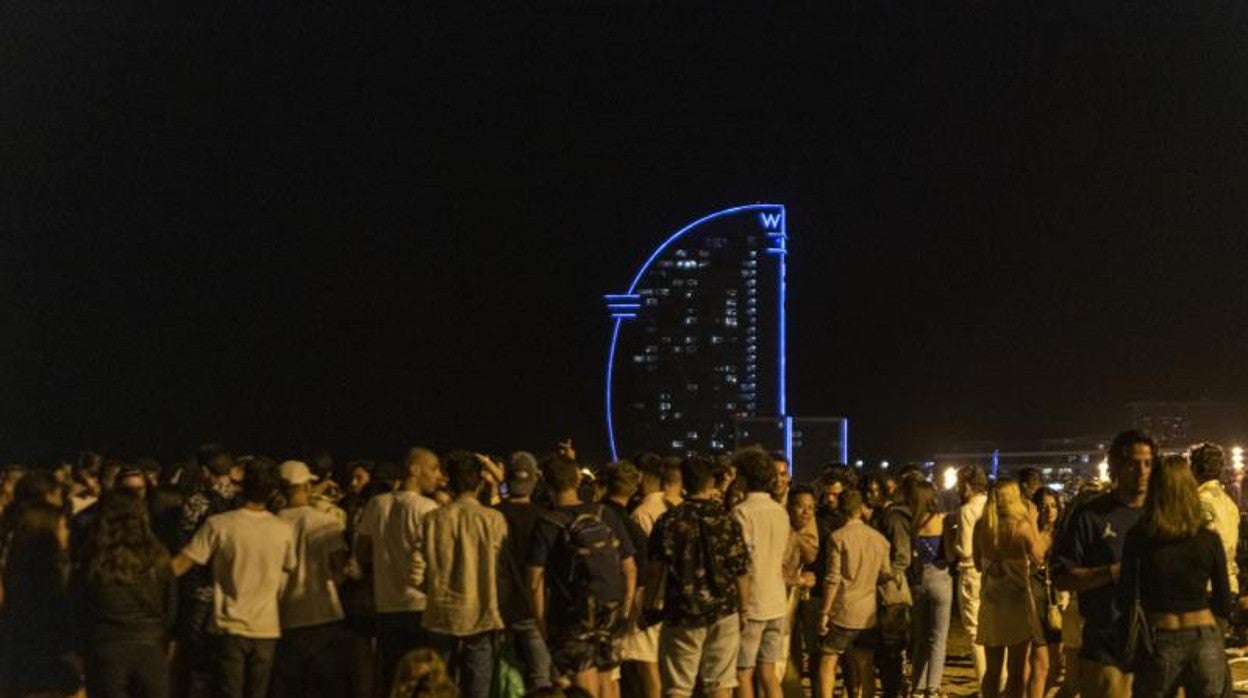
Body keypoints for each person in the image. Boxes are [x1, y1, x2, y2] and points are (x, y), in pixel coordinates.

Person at [172, 459, 297, 698]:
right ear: (272, 491)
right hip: (266, 628)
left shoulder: (219, 524)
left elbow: (181, 564)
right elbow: (289, 566)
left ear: (241, 486)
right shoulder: (283, 529)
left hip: (229, 625)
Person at [1118, 454, 1232, 698]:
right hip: (1205, 635)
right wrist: (1217, 633)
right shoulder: (1207, 538)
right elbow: (1223, 597)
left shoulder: (1140, 536)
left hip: (1161, 636)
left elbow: (1126, 595)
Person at [1053, 430, 1154, 698]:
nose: (1141, 471)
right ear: (1116, 467)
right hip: (1107, 644)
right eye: (1133, 463)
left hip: (1159, 645)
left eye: (1148, 463)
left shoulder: (1161, 515)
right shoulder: (1091, 517)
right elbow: (1062, 576)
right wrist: (1113, 573)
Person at [529, 453, 637, 697]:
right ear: (577, 480)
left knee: (582, 681)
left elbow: (534, 581)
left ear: (546, 485)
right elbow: (629, 566)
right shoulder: (603, 513)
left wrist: (542, 625)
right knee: (607, 679)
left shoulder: (548, 522)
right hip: (609, 611)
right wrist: (624, 610)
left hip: (572, 614)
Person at [645, 455, 751, 698]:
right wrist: (744, 609)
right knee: (720, 684)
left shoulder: (669, 520)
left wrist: (649, 605)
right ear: (710, 483)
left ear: (684, 484)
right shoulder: (726, 520)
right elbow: (742, 571)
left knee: (678, 686)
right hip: (724, 610)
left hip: (683, 610)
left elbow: (655, 570)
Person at [414, 451, 511, 697]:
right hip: (481, 614)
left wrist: (431, 587)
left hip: (440, 614)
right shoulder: (494, 519)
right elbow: (502, 569)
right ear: (479, 482)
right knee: (478, 688)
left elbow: (415, 571)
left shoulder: (432, 519)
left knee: (437, 687)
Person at [357, 447, 442, 690]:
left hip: (386, 605)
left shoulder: (376, 504)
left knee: (391, 678)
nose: (439, 475)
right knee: (422, 681)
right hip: (419, 604)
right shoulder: (427, 509)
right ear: (414, 469)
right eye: (434, 468)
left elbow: (362, 550)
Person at [76, 490, 176, 698]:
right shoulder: (158, 556)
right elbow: (171, 604)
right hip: (150, 645)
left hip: (105, 646)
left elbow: (81, 607)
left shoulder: (93, 558)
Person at [271, 460, 350, 698]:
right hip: (324, 613)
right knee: (326, 687)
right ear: (306, 486)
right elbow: (340, 569)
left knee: (289, 687)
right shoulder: (325, 521)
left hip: (284, 615)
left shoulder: (272, 522)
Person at [173, 444, 241, 695]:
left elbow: (184, 545)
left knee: (199, 656)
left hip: (202, 589)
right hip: (236, 590)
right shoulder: (243, 500)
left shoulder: (197, 502)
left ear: (204, 471)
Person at [0, 501, 82, 698]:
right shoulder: (50, 578)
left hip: (19, 669)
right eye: (62, 527)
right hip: (47, 668)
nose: (67, 533)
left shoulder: (14, 571)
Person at [974, 479, 1047, 698]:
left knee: (992, 671)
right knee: (1016, 671)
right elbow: (1039, 557)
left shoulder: (982, 526)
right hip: (1017, 603)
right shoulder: (1021, 526)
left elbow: (977, 563)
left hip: (991, 602)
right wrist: (1035, 523)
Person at [816, 489, 892, 698]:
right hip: (868, 612)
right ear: (860, 509)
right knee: (866, 663)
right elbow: (886, 573)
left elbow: (833, 578)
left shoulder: (838, 538)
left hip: (843, 610)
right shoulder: (879, 540)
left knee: (828, 659)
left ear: (841, 510)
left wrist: (824, 612)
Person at [728, 448, 791, 698]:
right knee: (768, 672)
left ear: (744, 477)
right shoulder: (780, 512)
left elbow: (742, 563)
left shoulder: (742, 513)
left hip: (752, 603)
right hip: (777, 601)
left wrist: (741, 608)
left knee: (743, 672)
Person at [495, 451, 553, 691]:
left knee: (502, 678)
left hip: (500, 608)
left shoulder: (494, 515)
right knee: (541, 679)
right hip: (535, 606)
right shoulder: (545, 517)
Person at [625, 453, 679, 695]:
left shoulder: (641, 513)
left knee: (648, 663)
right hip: (676, 595)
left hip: (652, 595)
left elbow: (645, 561)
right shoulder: (677, 508)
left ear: (640, 477)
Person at [601, 461, 656, 698]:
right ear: (634, 487)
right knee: (642, 665)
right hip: (635, 597)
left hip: (610, 598)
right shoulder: (631, 522)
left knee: (610, 671)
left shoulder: (600, 514)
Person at [906, 478, 954, 698]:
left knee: (921, 636)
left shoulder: (910, 525)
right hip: (940, 578)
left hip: (918, 581)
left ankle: (917, 686)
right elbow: (951, 555)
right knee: (939, 638)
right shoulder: (942, 520)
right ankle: (932, 687)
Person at [873, 475, 913, 698]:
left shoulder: (894, 518)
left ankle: (894, 690)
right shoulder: (888, 516)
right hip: (889, 590)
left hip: (893, 591)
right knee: (888, 649)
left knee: (891, 648)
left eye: (875, 490)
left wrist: (882, 576)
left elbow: (902, 557)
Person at [954, 464, 990, 687]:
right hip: (992, 571)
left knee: (974, 630)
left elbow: (966, 549)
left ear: (967, 486)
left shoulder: (967, 510)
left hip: (970, 572)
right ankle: (1000, 680)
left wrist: (953, 545)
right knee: (995, 629)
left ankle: (985, 683)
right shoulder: (992, 506)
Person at [1191, 443, 1239, 597]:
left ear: (1195, 468)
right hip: (1229, 583)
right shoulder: (1229, 503)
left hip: (1207, 586)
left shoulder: (1199, 502)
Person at [1032, 487, 1066, 698]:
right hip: (1035, 594)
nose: (1049, 510)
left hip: (1058, 595)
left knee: (1057, 663)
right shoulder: (1031, 531)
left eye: (1053, 506)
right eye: (1044, 506)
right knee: (1040, 663)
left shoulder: (1064, 534)